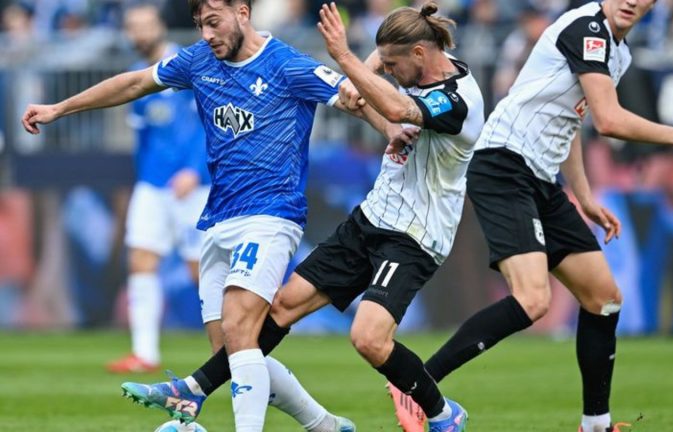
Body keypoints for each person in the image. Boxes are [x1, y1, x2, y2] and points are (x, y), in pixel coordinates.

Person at [20, 0, 407, 429]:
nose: (206, 34)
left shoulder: (287, 65)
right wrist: (59, 109)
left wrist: (391, 128)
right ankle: (326, 425)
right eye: (200, 25)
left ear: (242, 13)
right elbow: (133, 83)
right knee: (232, 352)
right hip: (218, 218)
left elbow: (354, 98)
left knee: (241, 330)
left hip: (271, 216)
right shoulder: (198, 61)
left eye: (213, 22)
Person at [122, 2, 484, 431]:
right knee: (281, 307)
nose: (386, 70)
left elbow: (397, 110)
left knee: (368, 339)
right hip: (372, 218)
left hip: (416, 235)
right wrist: (360, 75)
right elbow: (376, 81)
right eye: (383, 62)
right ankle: (199, 390)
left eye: (391, 64)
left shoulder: (459, 100)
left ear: (420, 55)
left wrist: (345, 58)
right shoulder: (419, 60)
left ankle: (444, 415)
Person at [385, 1, 673, 431]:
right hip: (504, 164)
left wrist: (583, 196)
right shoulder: (588, 29)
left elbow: (574, 122)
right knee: (533, 300)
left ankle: (595, 425)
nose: (632, 1)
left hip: (541, 178)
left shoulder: (618, 53)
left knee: (604, 299)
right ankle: (416, 384)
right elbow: (609, 121)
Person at [104, 2, 210, 375]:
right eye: (132, 27)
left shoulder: (182, 68)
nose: (138, 33)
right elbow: (146, 141)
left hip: (192, 185)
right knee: (140, 262)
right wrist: (145, 181)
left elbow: (208, 122)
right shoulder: (136, 76)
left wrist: (195, 171)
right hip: (152, 186)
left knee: (202, 271)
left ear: (160, 27)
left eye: (144, 25)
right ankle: (144, 353)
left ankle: (237, 348)